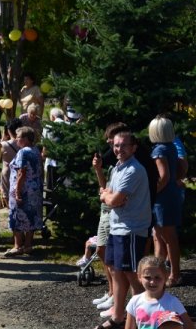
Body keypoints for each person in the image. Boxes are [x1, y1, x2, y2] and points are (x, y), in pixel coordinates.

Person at [94, 131, 151, 329]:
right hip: (117, 227)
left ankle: (140, 320)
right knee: (117, 272)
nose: (119, 149)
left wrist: (107, 197)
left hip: (131, 229)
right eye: (116, 145)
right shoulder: (118, 167)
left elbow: (114, 200)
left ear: (134, 147)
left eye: (124, 145)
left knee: (132, 275)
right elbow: (110, 194)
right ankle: (118, 317)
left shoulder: (134, 170)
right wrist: (108, 196)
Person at [148, 116, 182, 287]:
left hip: (162, 199)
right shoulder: (171, 147)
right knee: (162, 237)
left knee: (168, 238)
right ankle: (161, 273)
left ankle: (174, 275)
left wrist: (151, 194)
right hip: (171, 196)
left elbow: (164, 177)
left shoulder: (159, 150)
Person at [4, 126, 43, 257]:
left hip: (23, 189)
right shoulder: (36, 150)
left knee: (17, 216)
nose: (16, 140)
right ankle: (28, 245)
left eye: (18, 137)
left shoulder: (23, 152)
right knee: (31, 216)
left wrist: (17, 192)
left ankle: (17, 246)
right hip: (35, 189)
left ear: (26, 139)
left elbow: (22, 173)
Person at [125, 256, 194, 329]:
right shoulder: (135, 301)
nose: (152, 282)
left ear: (166, 277)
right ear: (139, 277)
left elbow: (189, 326)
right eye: (147, 277)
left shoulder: (172, 302)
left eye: (157, 277)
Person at [0, 118, 23, 209]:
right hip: (20, 172)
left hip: (8, 172)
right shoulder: (23, 143)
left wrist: (3, 138)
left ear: (8, 130)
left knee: (8, 199)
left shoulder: (4, 145)